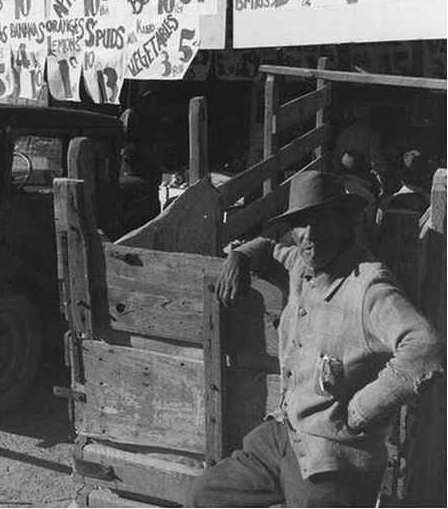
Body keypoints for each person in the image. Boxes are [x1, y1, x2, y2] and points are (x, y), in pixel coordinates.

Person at [188, 171, 442, 508]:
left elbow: (426, 350)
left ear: (346, 222)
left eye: (320, 222)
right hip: (283, 434)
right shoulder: (301, 263)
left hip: (333, 454)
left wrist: (357, 414)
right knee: (205, 495)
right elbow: (269, 247)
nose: (309, 236)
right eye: (300, 224)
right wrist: (240, 256)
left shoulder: (367, 286)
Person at [333, 105, 386, 194]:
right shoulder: (372, 136)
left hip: (344, 179)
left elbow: (336, 161)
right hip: (362, 180)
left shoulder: (345, 134)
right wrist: (383, 186)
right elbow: (376, 163)